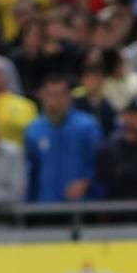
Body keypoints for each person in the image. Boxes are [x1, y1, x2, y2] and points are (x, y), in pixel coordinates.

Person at [24, 74, 102, 204]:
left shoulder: (88, 126)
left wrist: (86, 181)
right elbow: (31, 171)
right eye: (52, 94)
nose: (57, 99)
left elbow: (98, 162)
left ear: (69, 96)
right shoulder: (33, 130)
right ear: (42, 96)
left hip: (82, 203)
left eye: (61, 94)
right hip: (46, 204)